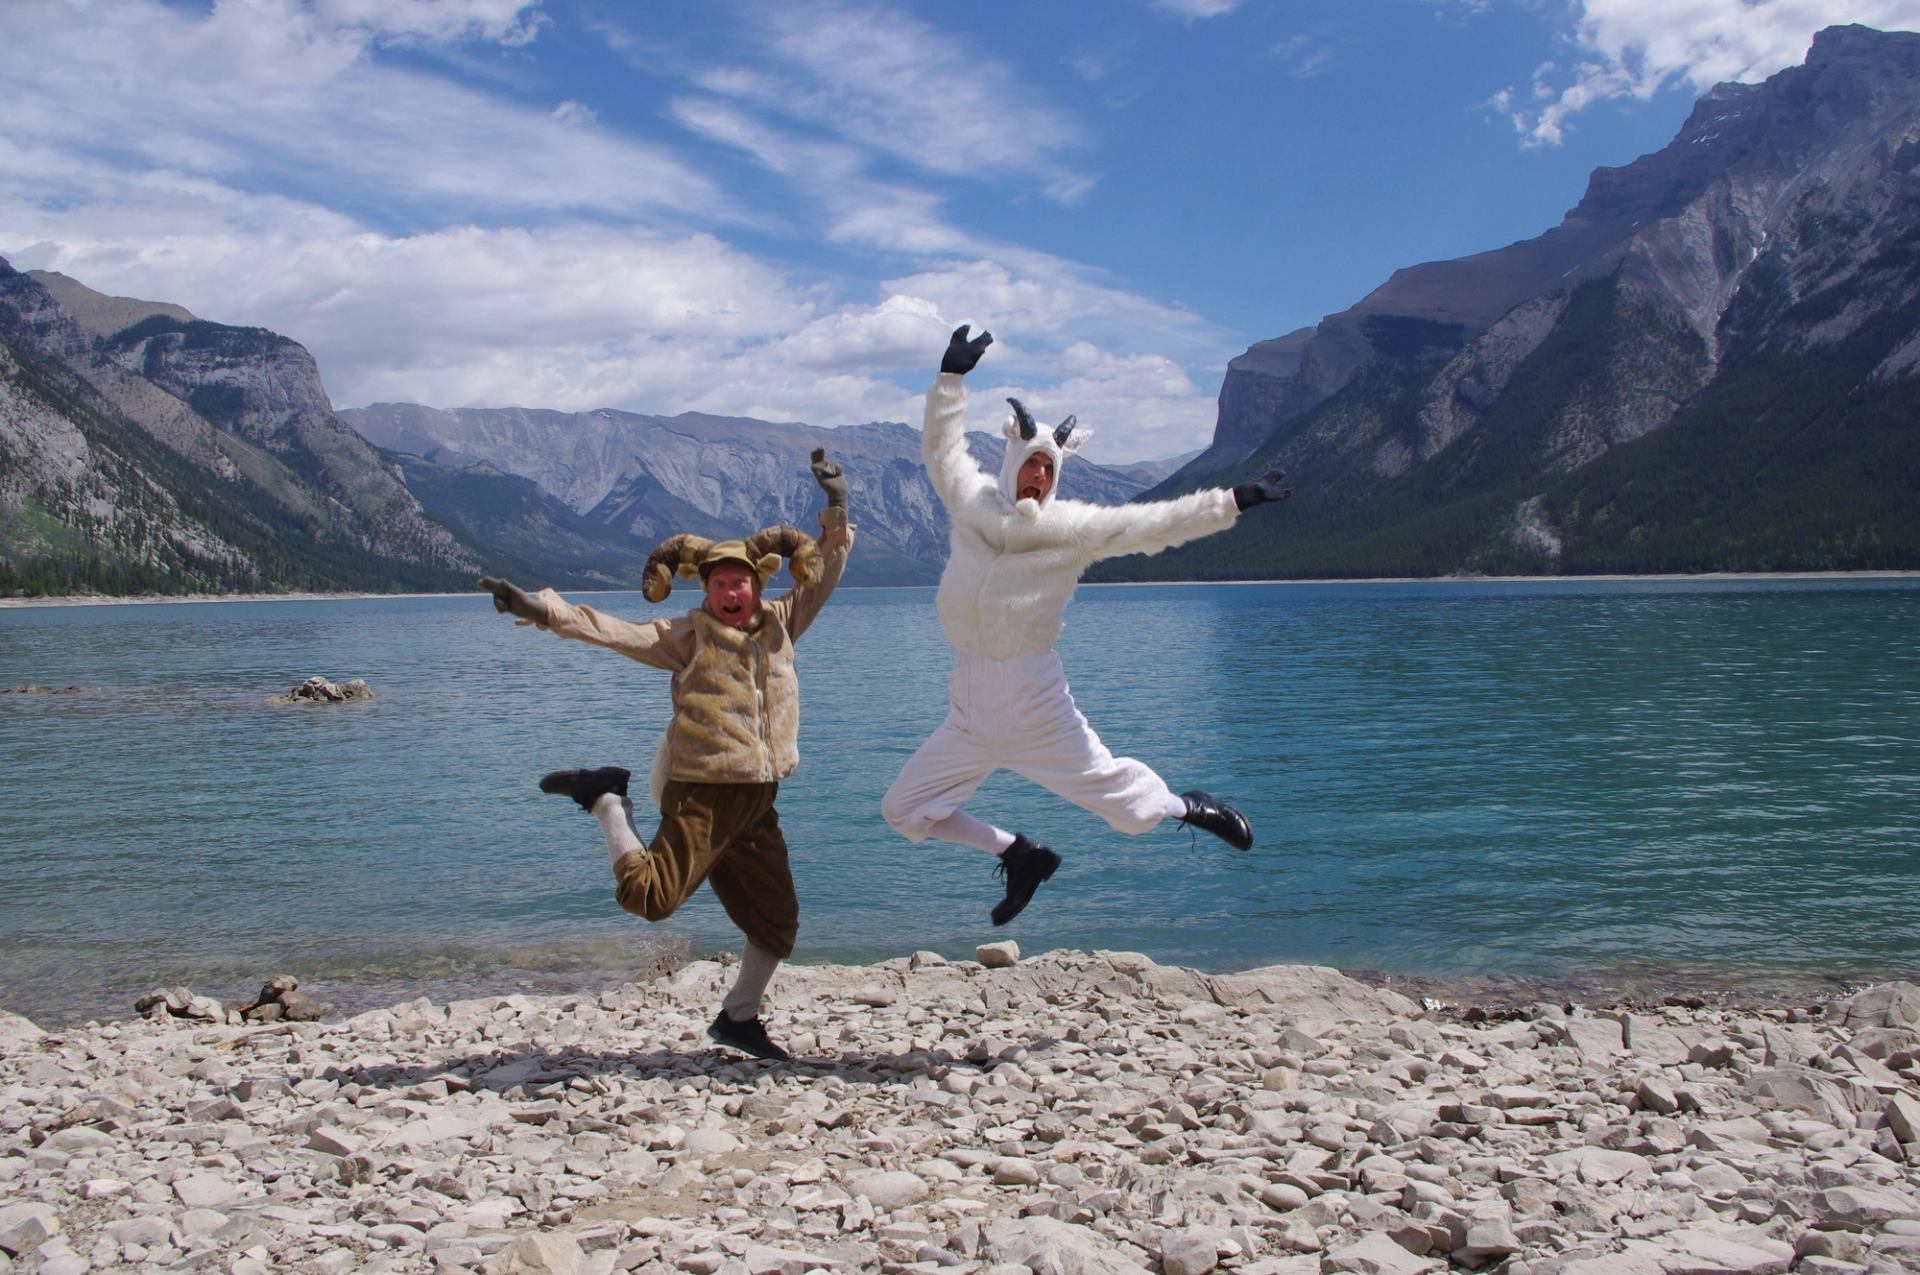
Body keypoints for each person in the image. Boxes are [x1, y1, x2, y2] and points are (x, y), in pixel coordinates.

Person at [882, 326, 1291, 926]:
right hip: (968, 707)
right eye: (1031, 464)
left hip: (1035, 705)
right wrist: (950, 380)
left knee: (1131, 812)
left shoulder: (1071, 529)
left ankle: (1189, 807)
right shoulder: (971, 503)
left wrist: (1229, 501)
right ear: (1012, 464)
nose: (1039, 477)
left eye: (1049, 469)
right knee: (903, 809)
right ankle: (1020, 854)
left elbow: (1152, 525)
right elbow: (941, 451)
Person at [480, 449, 853, 1062]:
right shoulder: (686, 636)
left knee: (777, 922)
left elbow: (829, 568)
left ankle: (738, 1019)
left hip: (757, 798)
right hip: (703, 791)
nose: (730, 591)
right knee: (650, 898)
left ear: (758, 585)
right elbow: (613, 631)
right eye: (719, 583)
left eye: (740, 581)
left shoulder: (783, 621)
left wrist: (836, 505)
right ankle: (606, 800)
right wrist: (542, 609)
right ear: (705, 589)